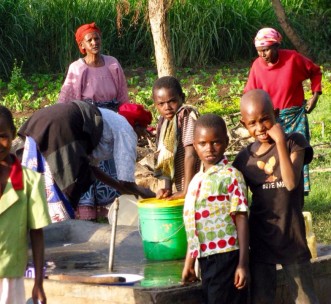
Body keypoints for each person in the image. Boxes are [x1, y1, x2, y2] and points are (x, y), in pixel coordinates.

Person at [57, 22, 152, 219]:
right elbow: (67, 99)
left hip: (112, 121)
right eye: (89, 40)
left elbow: (123, 97)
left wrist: (130, 120)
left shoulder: (112, 64)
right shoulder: (77, 68)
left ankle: (114, 211)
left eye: (97, 38)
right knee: (89, 163)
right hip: (89, 122)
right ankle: (88, 211)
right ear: (82, 45)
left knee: (113, 162)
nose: (94, 42)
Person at [233, 89, 319, 304]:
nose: (260, 128)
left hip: (292, 235)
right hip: (261, 238)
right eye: (252, 123)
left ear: (276, 114)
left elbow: (290, 183)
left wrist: (280, 142)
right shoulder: (244, 159)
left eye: (265, 119)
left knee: (304, 297)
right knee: (262, 298)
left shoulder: (294, 143)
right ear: (244, 124)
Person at [17, 101, 155, 223]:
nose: (143, 135)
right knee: (68, 184)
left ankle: (36, 229)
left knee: (36, 182)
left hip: (42, 119)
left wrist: (122, 189)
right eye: (143, 129)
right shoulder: (126, 130)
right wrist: (145, 193)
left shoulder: (110, 121)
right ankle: (60, 235)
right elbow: (126, 181)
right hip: (62, 127)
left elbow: (92, 168)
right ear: (136, 125)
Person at [244, 27, 322, 193]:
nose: (262, 55)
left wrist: (315, 96)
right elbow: (250, 94)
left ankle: (298, 192)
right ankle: (279, 193)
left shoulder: (292, 59)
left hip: (295, 117)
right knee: (275, 157)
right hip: (271, 121)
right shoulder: (257, 66)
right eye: (259, 51)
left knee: (296, 154)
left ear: (276, 46)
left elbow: (315, 71)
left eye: (265, 50)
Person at [182, 114, 249, 304]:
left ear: (226, 142)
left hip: (226, 256)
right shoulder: (196, 180)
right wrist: (189, 263)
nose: (209, 148)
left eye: (216, 142)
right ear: (194, 146)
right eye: (203, 143)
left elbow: (242, 219)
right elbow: (194, 226)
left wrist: (243, 264)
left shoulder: (231, 176)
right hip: (205, 258)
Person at [0, 105, 51, 303]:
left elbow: (36, 233)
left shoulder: (30, 181)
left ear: (13, 134)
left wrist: (38, 282)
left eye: (2, 136)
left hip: (11, 276)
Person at [153, 76, 200, 200]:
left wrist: (186, 190)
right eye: (161, 104)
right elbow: (165, 155)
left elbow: (191, 155)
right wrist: (167, 188)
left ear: (182, 98)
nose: (167, 107)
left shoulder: (187, 116)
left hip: (196, 183)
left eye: (172, 101)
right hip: (182, 182)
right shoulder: (163, 122)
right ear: (155, 104)